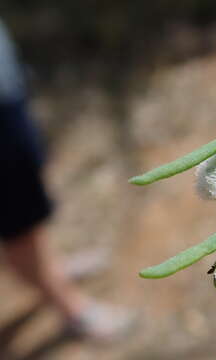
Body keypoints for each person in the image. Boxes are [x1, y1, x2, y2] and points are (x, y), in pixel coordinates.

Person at [0, 19, 134, 342]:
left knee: (27, 201)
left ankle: (51, 268)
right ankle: (73, 311)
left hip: (7, 89)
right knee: (17, 221)